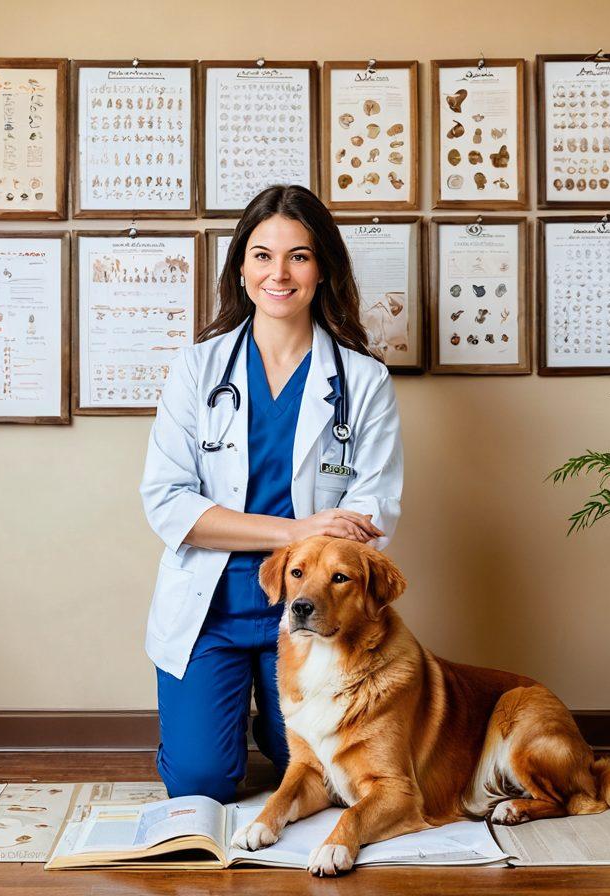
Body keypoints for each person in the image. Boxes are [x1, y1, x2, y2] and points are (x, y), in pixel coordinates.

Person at [140, 184, 404, 803]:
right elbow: (169, 504)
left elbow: (371, 518)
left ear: (323, 269)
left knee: (329, 781)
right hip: (213, 607)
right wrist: (297, 530)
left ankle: (266, 720)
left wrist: (310, 543)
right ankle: (226, 720)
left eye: (299, 257)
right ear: (240, 268)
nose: (278, 274)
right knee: (201, 783)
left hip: (318, 609)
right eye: (262, 255)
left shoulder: (363, 381)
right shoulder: (197, 371)